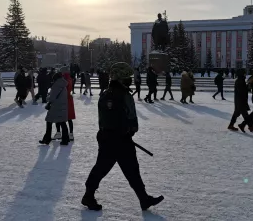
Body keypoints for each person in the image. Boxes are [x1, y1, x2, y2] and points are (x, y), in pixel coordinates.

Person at [82, 62, 164, 211]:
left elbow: (103, 119)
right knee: (131, 170)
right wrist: (130, 129)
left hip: (107, 137)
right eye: (127, 77)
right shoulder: (124, 96)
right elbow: (132, 119)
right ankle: (143, 199)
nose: (129, 80)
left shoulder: (105, 94)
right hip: (122, 140)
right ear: (120, 78)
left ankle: (89, 195)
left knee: (102, 168)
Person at [39, 72, 70, 146]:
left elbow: (52, 97)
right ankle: (65, 139)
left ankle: (47, 139)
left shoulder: (56, 85)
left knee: (48, 121)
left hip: (55, 107)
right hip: (62, 106)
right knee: (62, 122)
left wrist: (47, 98)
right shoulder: (63, 84)